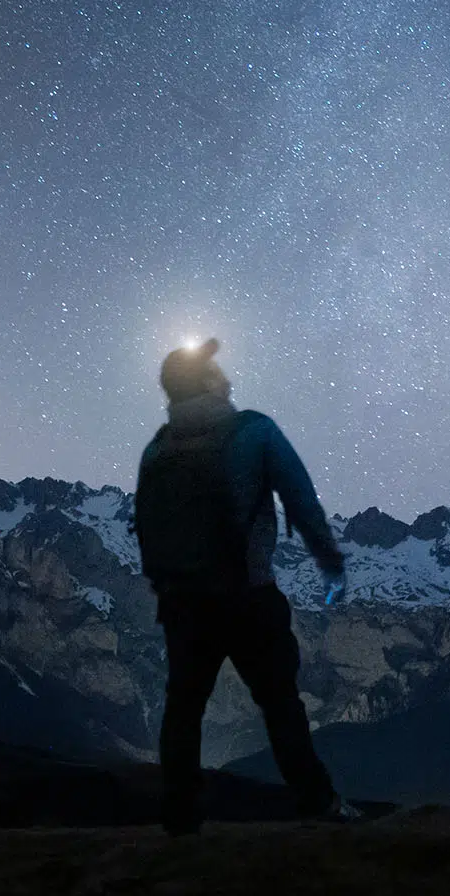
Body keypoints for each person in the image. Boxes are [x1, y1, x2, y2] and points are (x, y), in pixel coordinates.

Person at [135, 338, 358, 834]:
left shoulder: (157, 447)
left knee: (184, 707)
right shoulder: (252, 431)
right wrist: (330, 561)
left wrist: (165, 586)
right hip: (248, 596)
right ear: (208, 382)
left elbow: (147, 524)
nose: (225, 374)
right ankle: (317, 801)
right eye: (215, 368)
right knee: (280, 702)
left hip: (182, 602)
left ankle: (179, 819)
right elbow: (300, 498)